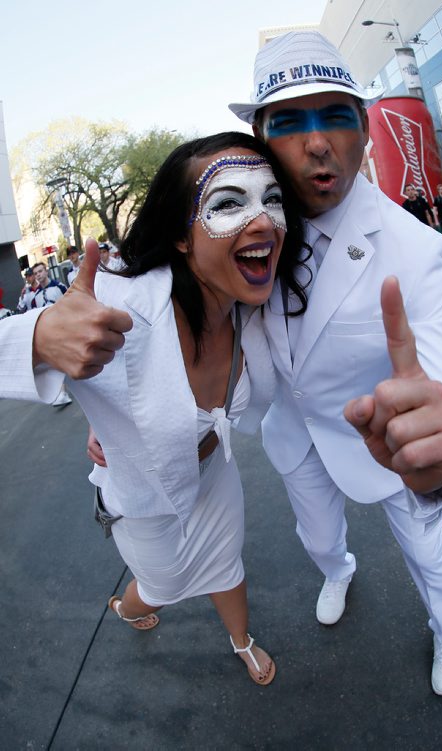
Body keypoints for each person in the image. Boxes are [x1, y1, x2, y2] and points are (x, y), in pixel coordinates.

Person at [0, 132, 308, 685]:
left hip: (216, 474)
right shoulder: (126, 310)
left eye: (273, 199)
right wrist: (40, 336)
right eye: (230, 203)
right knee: (162, 585)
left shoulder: (254, 304)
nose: (264, 221)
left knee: (226, 560)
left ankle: (242, 640)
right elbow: (60, 343)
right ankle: (129, 607)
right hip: (146, 499)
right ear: (181, 238)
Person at [229, 30, 442, 696]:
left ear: (365, 131)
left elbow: (441, 373)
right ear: (258, 138)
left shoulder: (415, 248)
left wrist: (439, 441)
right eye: (289, 121)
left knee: (428, 551)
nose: (316, 143)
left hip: (382, 442)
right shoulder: (242, 234)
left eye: (336, 115)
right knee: (317, 538)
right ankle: (339, 569)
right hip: (296, 432)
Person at [30, 262, 72, 406]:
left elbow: (70, 303)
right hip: (49, 333)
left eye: (40, 271)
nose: (39, 275)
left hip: (64, 327)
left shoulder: (59, 287)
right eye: (36, 273)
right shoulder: (35, 296)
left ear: (46, 271)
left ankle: (62, 391)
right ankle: (61, 392)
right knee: (56, 361)